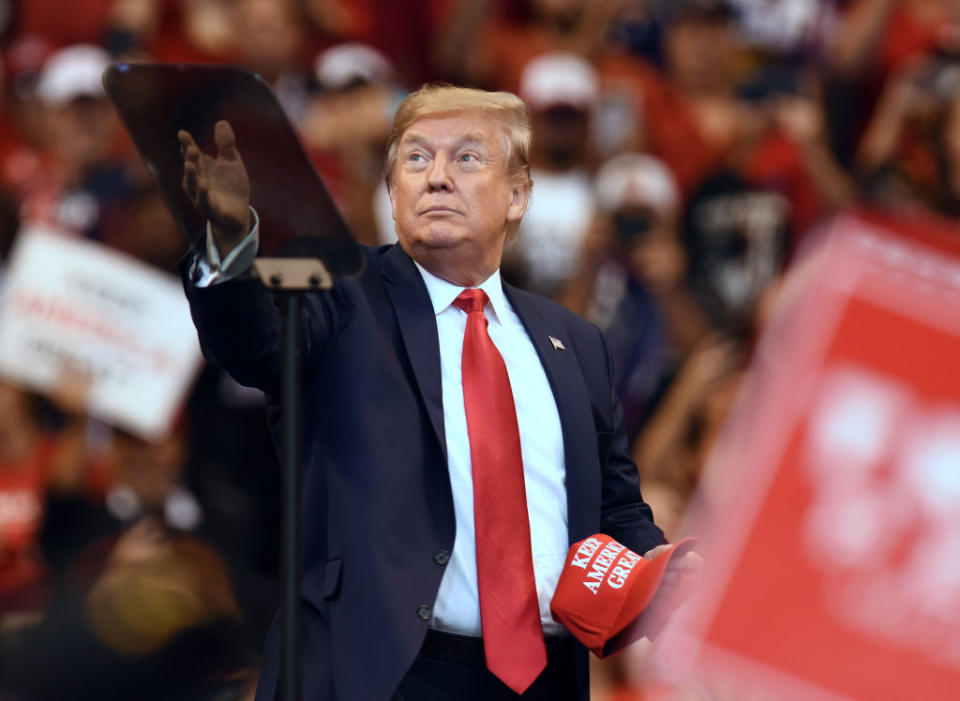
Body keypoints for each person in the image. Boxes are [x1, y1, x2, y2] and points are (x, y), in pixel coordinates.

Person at [177, 84, 697, 700]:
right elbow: (251, 343)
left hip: (545, 680)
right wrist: (230, 241)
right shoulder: (337, 296)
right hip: (381, 675)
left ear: (518, 195)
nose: (437, 177)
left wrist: (658, 569)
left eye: (468, 158)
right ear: (392, 193)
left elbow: (614, 506)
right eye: (416, 159)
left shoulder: (575, 341)